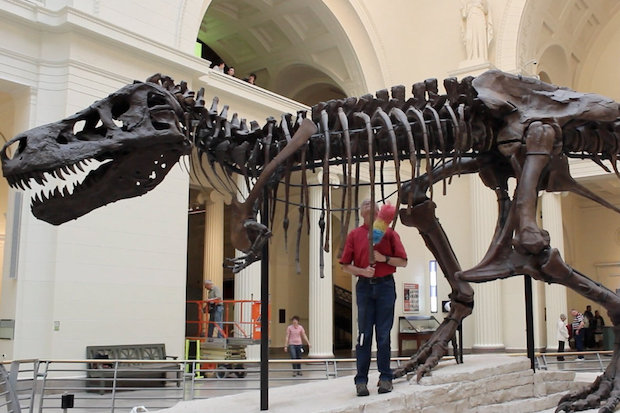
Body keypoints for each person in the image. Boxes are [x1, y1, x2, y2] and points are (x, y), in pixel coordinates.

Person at [340, 199, 408, 397]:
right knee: (364, 335)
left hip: (386, 286)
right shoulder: (354, 235)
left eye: (373, 204)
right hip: (364, 287)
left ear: (380, 211)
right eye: (365, 204)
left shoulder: (389, 233)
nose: (369, 205)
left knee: (384, 335)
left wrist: (383, 259)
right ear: (361, 212)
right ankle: (361, 380)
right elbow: (345, 265)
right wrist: (362, 271)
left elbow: (403, 261)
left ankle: (385, 377)